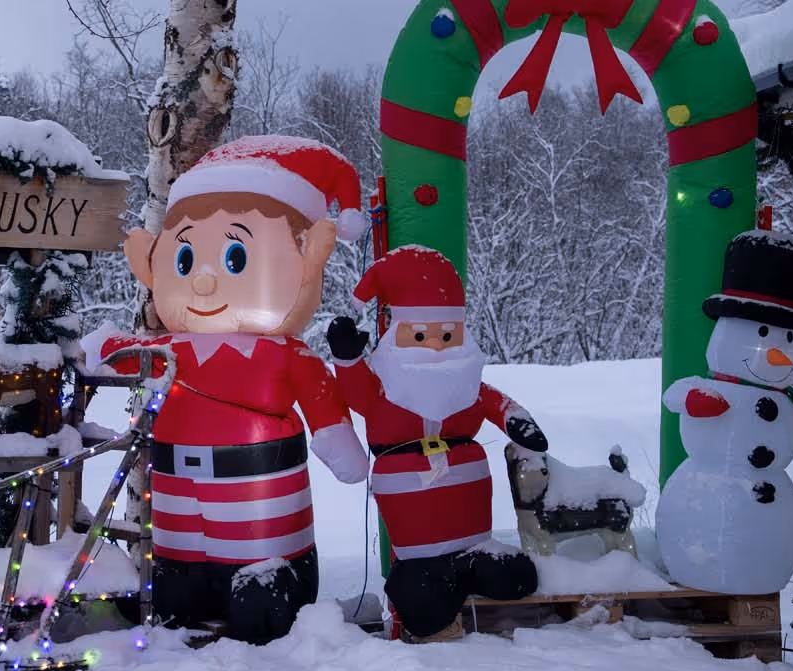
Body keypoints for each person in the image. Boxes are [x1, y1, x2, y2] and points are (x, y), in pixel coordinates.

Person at [83, 136, 370, 644]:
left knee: (260, 593)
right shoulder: (168, 347)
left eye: (236, 258)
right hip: (178, 519)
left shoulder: (285, 355)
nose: (206, 282)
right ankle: (182, 581)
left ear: (309, 262)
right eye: (186, 259)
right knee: (174, 590)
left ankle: (275, 581)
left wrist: (338, 445)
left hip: (263, 515)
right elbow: (111, 352)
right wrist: (99, 347)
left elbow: (326, 415)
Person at [326, 245, 542, 639]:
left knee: (512, 577)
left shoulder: (467, 385)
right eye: (421, 336)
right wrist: (346, 359)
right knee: (424, 593)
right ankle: (427, 577)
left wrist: (518, 422)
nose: (436, 347)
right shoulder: (386, 386)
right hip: (414, 520)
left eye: (447, 335)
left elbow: (496, 402)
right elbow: (358, 396)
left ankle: (479, 560)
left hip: (472, 519)